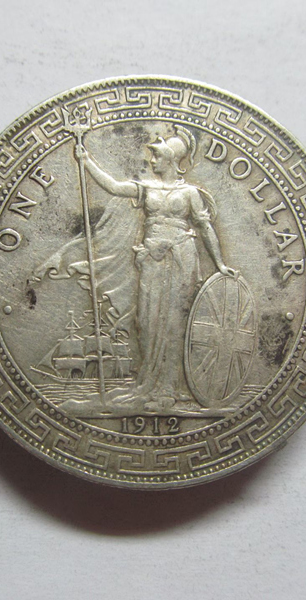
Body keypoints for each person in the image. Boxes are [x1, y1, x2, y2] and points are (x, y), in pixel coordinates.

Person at [76, 125, 237, 411]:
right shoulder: (147, 188)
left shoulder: (190, 193)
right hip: (151, 258)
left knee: (174, 322)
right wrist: (86, 161)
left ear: (172, 160)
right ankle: (147, 384)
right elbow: (113, 186)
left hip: (181, 257)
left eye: (157, 156)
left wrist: (220, 263)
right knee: (147, 320)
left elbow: (205, 228)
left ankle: (168, 389)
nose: (152, 161)